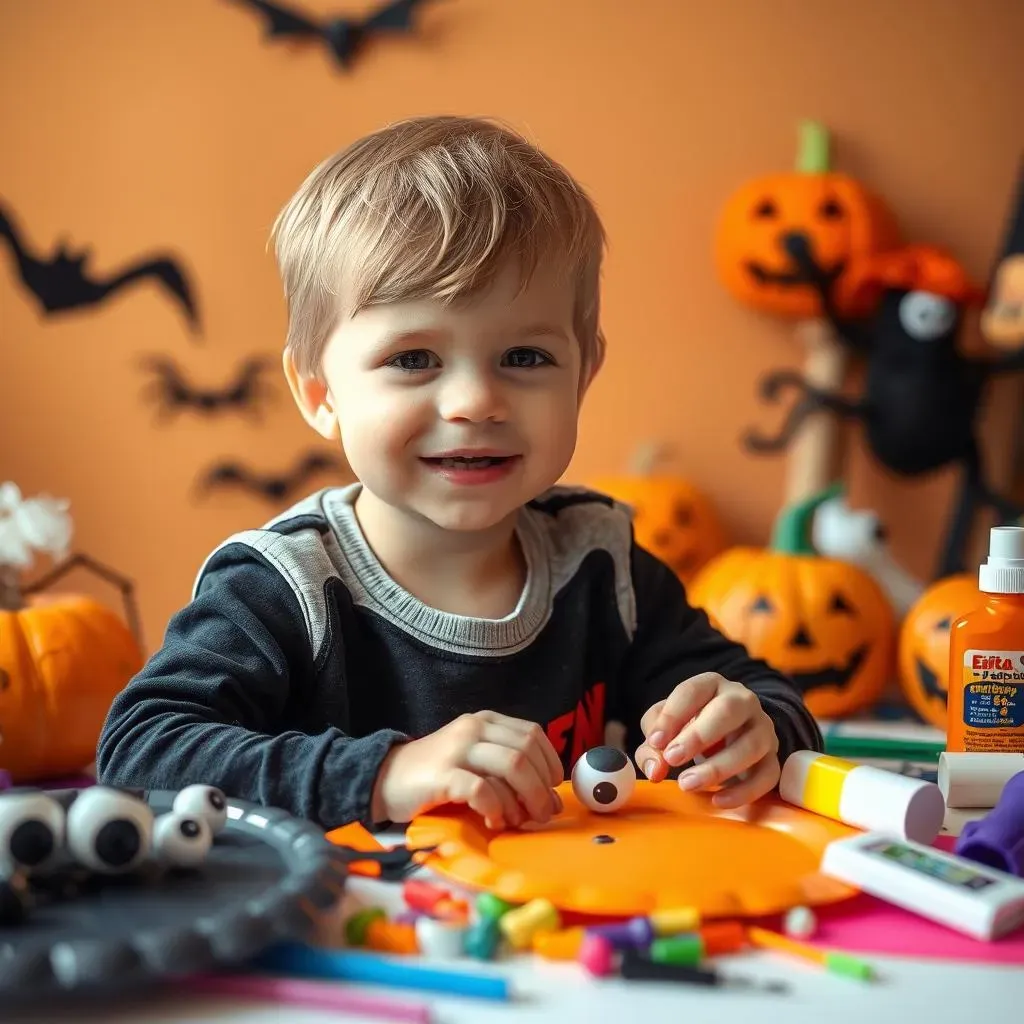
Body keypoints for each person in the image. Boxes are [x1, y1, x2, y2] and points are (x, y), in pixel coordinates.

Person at [96, 115, 822, 832]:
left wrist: (748, 730)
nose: (476, 402)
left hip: (566, 936)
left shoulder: (600, 562)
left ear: (584, 373)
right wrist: (386, 776)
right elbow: (138, 751)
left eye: (525, 358)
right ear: (321, 394)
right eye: (414, 359)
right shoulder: (284, 587)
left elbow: (774, 701)